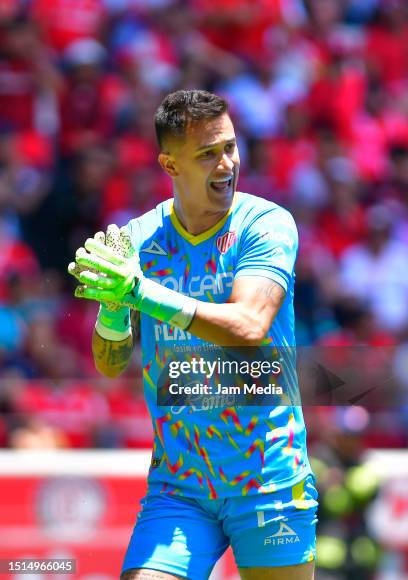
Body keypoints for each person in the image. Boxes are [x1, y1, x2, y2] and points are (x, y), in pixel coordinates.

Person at [69, 90, 318, 580]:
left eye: (229, 147)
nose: (226, 164)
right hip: (180, 486)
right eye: (207, 154)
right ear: (170, 164)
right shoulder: (139, 241)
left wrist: (143, 293)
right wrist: (115, 311)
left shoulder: (266, 224)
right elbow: (110, 363)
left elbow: (249, 326)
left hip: (267, 476)